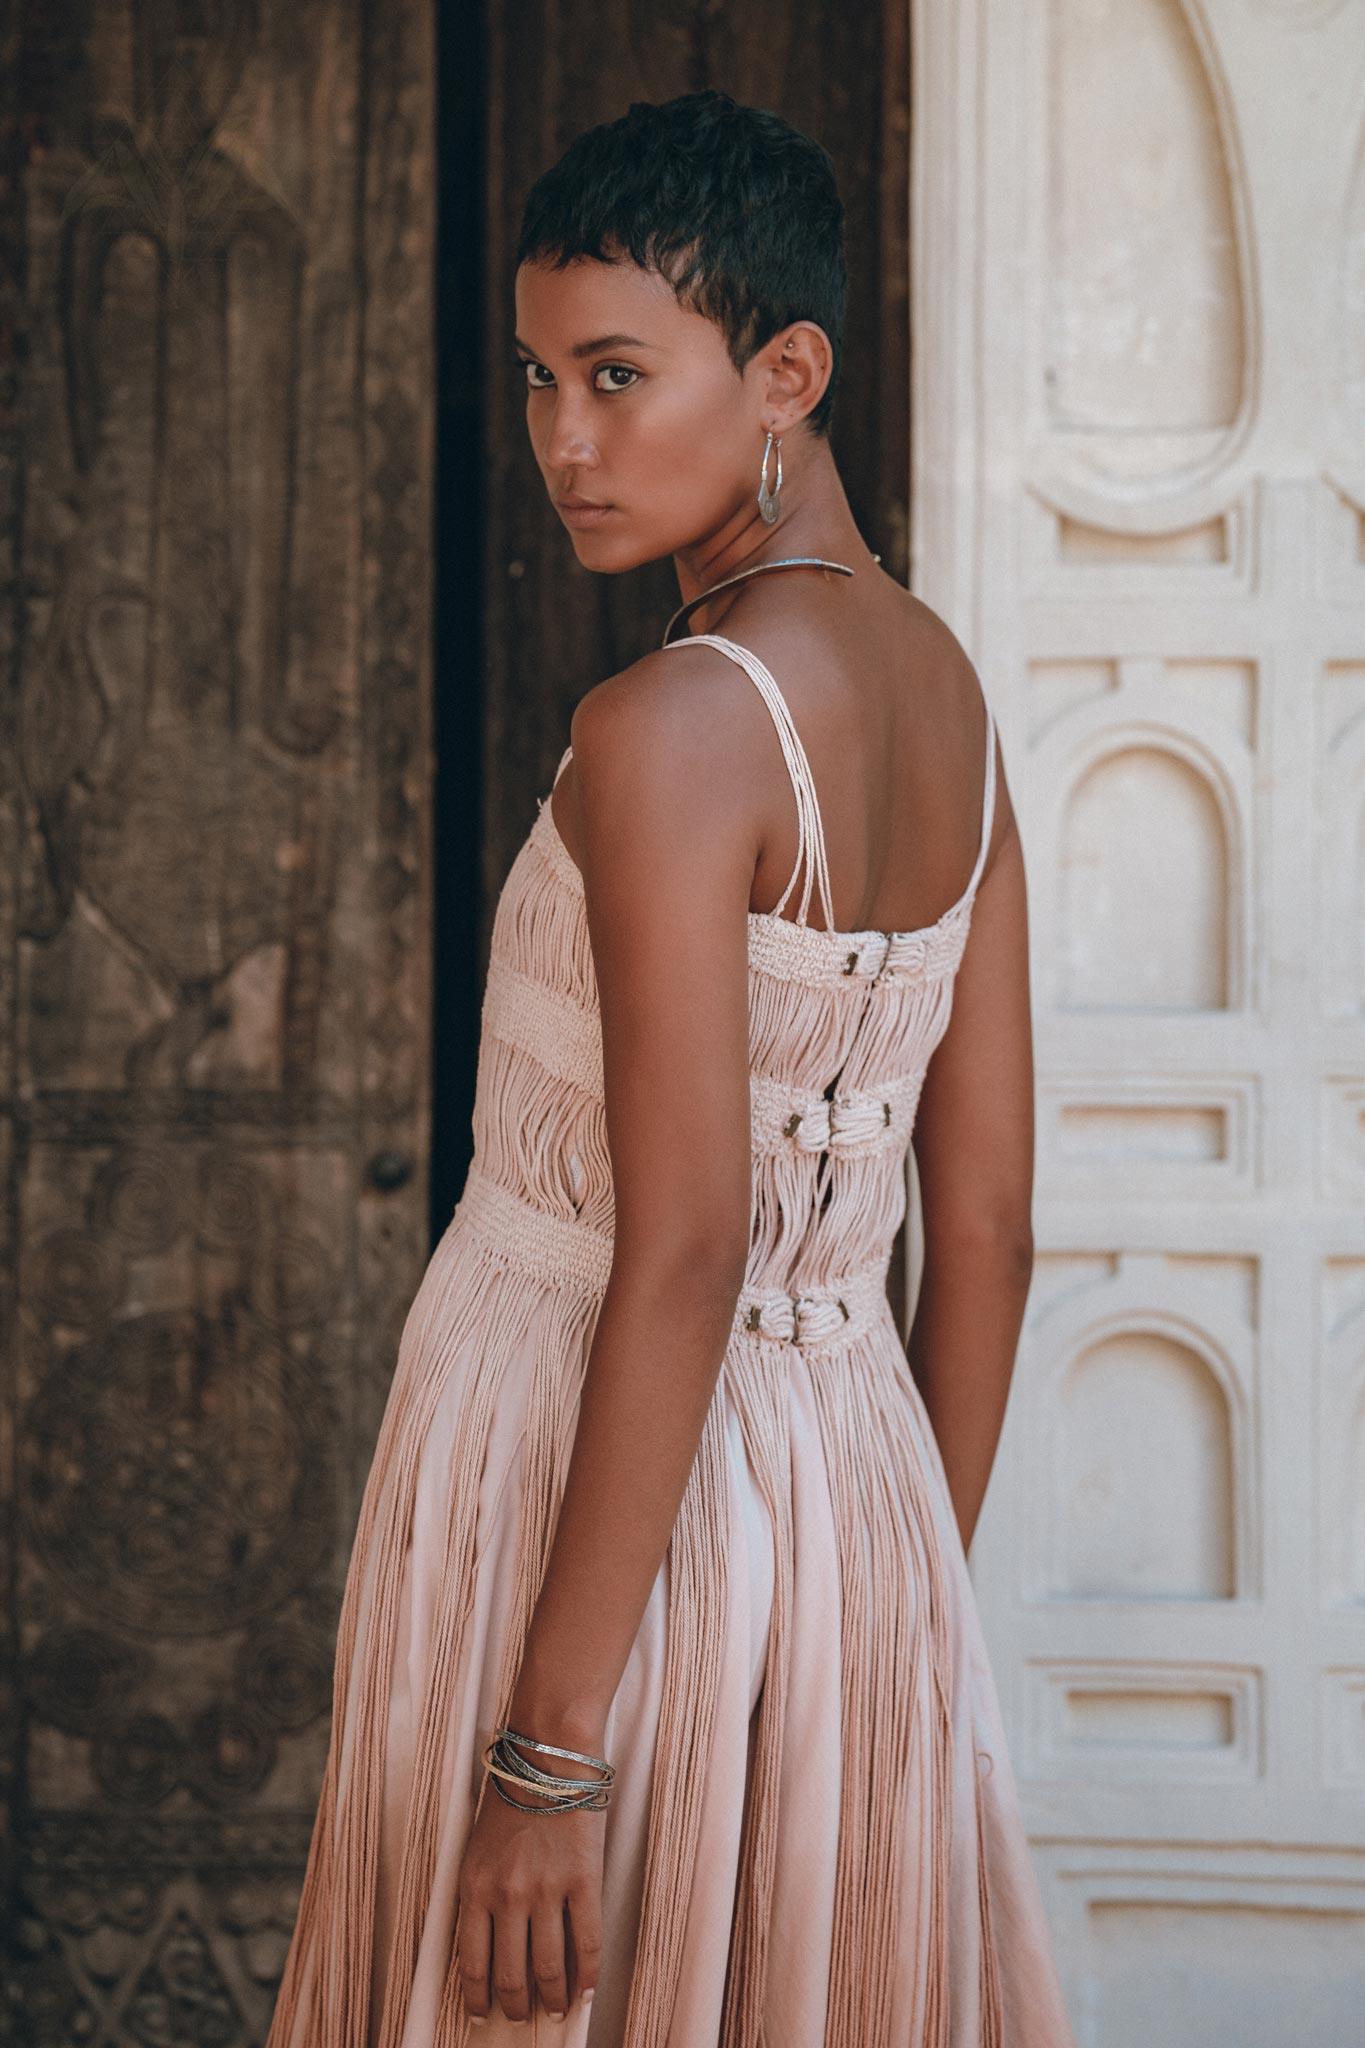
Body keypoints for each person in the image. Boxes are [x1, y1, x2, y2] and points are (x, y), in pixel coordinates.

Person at [266, 86, 1076, 2048]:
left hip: (583, 1473)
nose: (562, 437)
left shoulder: (669, 725)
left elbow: (688, 1239)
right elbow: (980, 1231)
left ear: (783, 369)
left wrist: (550, 1756)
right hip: (858, 1499)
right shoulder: (949, 698)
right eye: (542, 377)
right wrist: (890, 1602)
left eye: (617, 375)